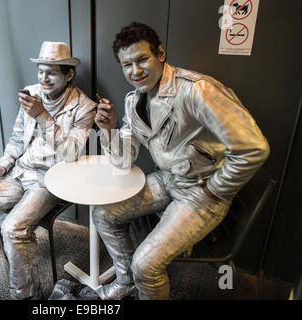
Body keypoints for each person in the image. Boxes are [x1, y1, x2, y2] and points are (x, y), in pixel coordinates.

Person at [93, 22, 270, 300]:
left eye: (142, 60)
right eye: (127, 65)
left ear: (160, 53)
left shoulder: (198, 90)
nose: (135, 71)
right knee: (102, 214)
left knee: (146, 264)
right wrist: (108, 130)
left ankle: (138, 278)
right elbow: (123, 160)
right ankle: (126, 282)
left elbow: (253, 148)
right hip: (167, 180)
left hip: (200, 192)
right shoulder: (132, 100)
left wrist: (214, 190)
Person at [0, 41, 96, 300]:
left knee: (13, 229)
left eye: (51, 72)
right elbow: (18, 138)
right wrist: (3, 164)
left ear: (69, 74)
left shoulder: (85, 107)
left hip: (50, 181)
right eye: (40, 71)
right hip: (19, 172)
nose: (43, 78)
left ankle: (26, 296)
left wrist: (43, 116)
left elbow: (72, 153)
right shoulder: (31, 93)